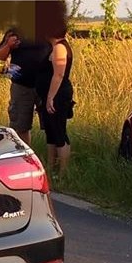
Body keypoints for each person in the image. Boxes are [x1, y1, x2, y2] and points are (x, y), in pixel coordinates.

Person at [40, 27, 75, 174]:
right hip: (51, 95)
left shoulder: (60, 47)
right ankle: (50, 167)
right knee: (51, 131)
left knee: (59, 131)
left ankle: (63, 172)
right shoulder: (54, 47)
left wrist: (50, 97)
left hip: (58, 95)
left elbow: (58, 75)